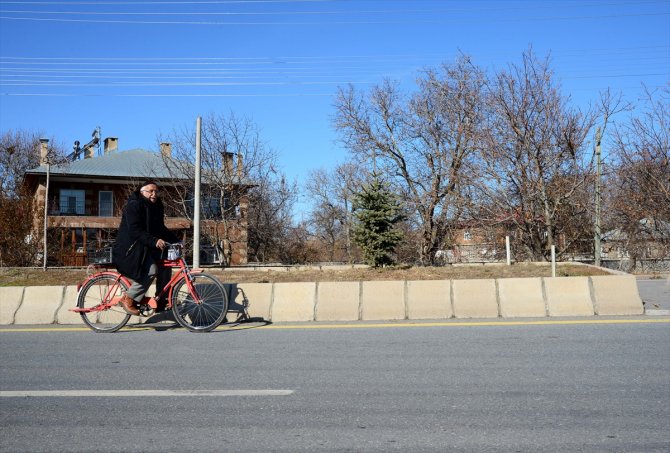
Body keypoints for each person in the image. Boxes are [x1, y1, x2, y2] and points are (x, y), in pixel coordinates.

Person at [112, 180, 180, 316]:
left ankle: (161, 300)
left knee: (166, 265)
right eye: (151, 191)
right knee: (152, 269)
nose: (154, 194)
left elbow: (160, 228)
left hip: (145, 247)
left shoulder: (157, 206)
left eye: (156, 191)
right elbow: (135, 230)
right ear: (142, 192)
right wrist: (154, 241)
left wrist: (176, 241)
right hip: (130, 248)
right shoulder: (134, 205)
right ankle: (129, 298)